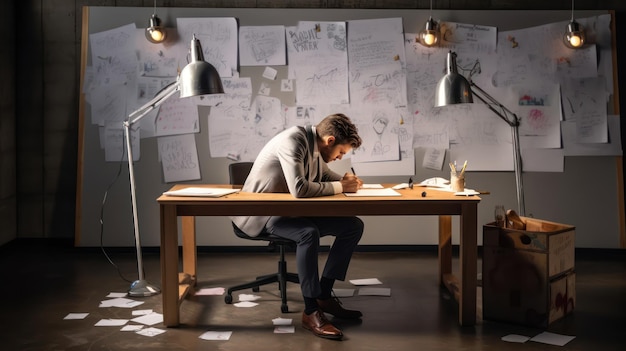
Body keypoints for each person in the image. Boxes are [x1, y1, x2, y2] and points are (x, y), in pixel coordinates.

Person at [230, 113, 364, 340]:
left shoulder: (315, 146)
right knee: (307, 234)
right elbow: (300, 189)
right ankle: (311, 311)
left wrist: (347, 181)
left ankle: (323, 295)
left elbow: (324, 176)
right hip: (260, 215)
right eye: (341, 152)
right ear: (330, 141)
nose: (340, 157)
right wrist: (341, 187)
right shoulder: (294, 141)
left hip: (287, 212)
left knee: (352, 225)